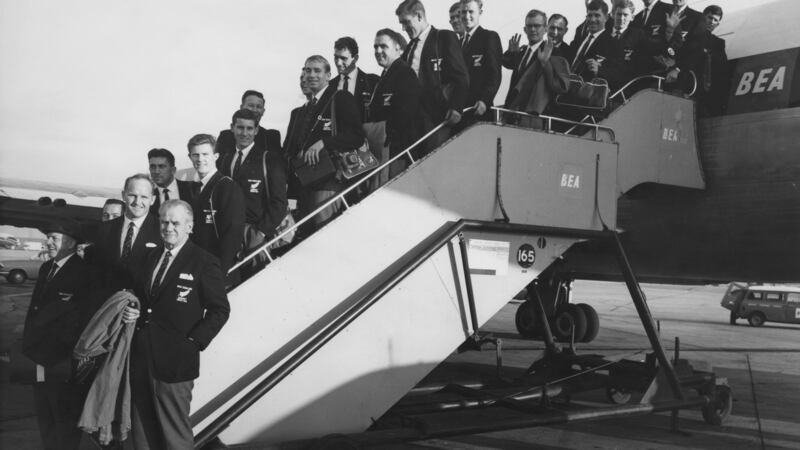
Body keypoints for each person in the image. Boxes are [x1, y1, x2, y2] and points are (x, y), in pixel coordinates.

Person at [122, 200, 229, 449]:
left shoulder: (203, 261)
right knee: (142, 430)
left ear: (189, 227)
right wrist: (133, 311)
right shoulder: (151, 256)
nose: (169, 227)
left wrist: (192, 343)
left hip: (175, 362)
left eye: (175, 223)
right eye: (164, 222)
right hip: (142, 355)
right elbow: (144, 298)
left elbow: (220, 309)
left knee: (174, 433)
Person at [22, 220, 94, 450]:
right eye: (48, 237)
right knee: (45, 414)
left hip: (61, 358)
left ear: (71, 243)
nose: (48, 241)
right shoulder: (46, 268)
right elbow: (35, 310)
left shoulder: (83, 273)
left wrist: (61, 353)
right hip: (38, 355)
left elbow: (80, 319)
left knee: (63, 416)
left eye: (54, 237)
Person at [285, 55, 365, 231]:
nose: (311, 75)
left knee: (324, 232)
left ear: (328, 75)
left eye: (317, 70)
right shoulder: (299, 112)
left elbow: (357, 136)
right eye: (307, 70)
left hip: (330, 182)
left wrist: (324, 143)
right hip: (304, 184)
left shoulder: (341, 98)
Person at [396, 0, 469, 156]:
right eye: (401, 24)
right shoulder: (409, 48)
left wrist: (457, 107)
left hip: (437, 117)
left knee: (435, 163)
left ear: (419, 16)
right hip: (412, 121)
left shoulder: (444, 38)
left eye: (406, 22)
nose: (403, 28)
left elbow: (461, 77)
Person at [218, 109, 288, 270]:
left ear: (256, 130)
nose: (244, 133)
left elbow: (279, 202)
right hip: (228, 232)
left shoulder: (269, 159)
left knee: (255, 279)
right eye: (240, 127)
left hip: (255, 232)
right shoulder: (225, 159)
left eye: (249, 128)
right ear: (232, 128)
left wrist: (261, 232)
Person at [367, 28, 422, 186]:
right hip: (383, 152)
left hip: (396, 154)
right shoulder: (385, 76)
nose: (378, 51)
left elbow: (406, 115)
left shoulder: (405, 74)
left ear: (398, 47)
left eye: (383, 46)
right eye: (375, 47)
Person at [87, 174, 161, 291]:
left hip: (141, 306)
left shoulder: (162, 231)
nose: (137, 202)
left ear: (152, 200)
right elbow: (96, 273)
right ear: (123, 195)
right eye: (132, 195)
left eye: (144, 197)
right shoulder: (105, 229)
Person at [187, 133, 245, 279]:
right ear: (190, 157)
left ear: (216, 156)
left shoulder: (227, 187)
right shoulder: (194, 189)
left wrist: (218, 273)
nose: (200, 159)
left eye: (205, 154)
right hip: (197, 269)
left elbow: (232, 236)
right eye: (196, 155)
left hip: (218, 273)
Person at [458, 0, 502, 124]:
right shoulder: (458, 43)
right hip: (461, 111)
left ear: (480, 12)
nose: (466, 16)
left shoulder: (489, 37)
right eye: (463, 12)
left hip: (479, 111)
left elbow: (495, 75)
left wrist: (485, 100)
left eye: (471, 11)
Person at [215, 90, 283, 165]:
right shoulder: (225, 136)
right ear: (241, 107)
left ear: (263, 111)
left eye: (258, 107)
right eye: (250, 105)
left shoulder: (270, 137)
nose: (254, 110)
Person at [569, 0, 625, 92]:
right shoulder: (579, 40)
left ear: (606, 18)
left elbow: (619, 75)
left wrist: (599, 71)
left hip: (589, 99)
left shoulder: (614, 44)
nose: (592, 20)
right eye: (590, 15)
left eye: (597, 15)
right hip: (564, 95)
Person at [502, 10, 548, 108]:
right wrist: (511, 53)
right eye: (529, 26)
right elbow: (507, 64)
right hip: (512, 108)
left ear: (545, 29)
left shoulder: (549, 52)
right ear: (524, 29)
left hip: (531, 111)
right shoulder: (521, 51)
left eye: (537, 26)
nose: (533, 29)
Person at [331, 37, 380, 123]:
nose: (338, 63)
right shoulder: (330, 86)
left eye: (343, 58)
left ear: (355, 58)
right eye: (336, 57)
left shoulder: (373, 82)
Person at [697, 5, 728, 115]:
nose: (712, 22)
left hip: (707, 92)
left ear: (718, 24)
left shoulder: (718, 43)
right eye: (710, 18)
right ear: (703, 17)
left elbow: (723, 69)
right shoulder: (690, 35)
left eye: (716, 20)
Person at [147, 148, 195, 215]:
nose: (156, 171)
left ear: (173, 170)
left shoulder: (193, 189)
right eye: (153, 167)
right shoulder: (148, 198)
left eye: (161, 166)